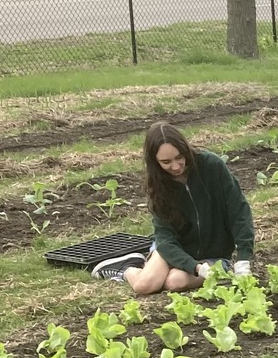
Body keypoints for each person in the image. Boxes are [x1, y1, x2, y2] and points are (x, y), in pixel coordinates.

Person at [95, 122, 255, 291]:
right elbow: (164, 239)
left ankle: (157, 269)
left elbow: (239, 211)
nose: (176, 166)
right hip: (175, 249)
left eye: (179, 157)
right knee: (144, 286)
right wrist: (196, 267)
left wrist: (243, 259)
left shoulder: (211, 166)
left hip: (212, 255)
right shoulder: (157, 185)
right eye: (166, 162)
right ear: (155, 162)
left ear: (185, 150)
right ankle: (126, 269)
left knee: (175, 281)